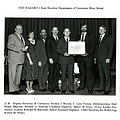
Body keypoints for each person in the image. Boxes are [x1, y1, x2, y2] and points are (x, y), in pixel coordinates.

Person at [7, 24, 27, 94]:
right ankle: (12, 89)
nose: (20, 30)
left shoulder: (21, 37)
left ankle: (16, 88)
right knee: (12, 75)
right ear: (15, 29)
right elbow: (9, 46)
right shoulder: (12, 36)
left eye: (21, 29)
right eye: (18, 29)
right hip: (13, 59)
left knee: (18, 75)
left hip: (20, 59)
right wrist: (21, 49)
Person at [76, 24, 96, 94]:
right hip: (80, 58)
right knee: (82, 73)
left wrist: (87, 53)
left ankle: (90, 89)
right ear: (81, 28)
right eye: (82, 27)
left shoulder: (91, 35)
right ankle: (82, 86)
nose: (84, 28)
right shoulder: (78, 35)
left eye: (85, 27)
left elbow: (93, 46)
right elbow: (75, 46)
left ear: (87, 28)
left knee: (89, 74)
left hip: (88, 57)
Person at [94, 25, 114, 95]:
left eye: (102, 29)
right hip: (99, 60)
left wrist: (109, 58)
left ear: (105, 30)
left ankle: (107, 89)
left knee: (107, 75)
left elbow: (111, 49)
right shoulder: (98, 38)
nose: (101, 30)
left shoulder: (109, 38)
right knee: (101, 75)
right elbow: (97, 49)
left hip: (106, 59)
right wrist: (95, 58)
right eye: (99, 29)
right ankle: (101, 88)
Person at [57, 28, 75, 94]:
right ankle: (63, 89)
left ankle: (71, 89)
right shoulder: (60, 40)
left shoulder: (73, 41)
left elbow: (75, 50)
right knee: (63, 75)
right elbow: (58, 49)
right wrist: (64, 53)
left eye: (68, 31)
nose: (67, 33)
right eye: (65, 31)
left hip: (70, 60)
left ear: (70, 32)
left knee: (71, 75)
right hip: (63, 60)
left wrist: (74, 53)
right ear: (63, 33)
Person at [46, 27, 60, 93]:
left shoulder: (59, 38)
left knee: (57, 74)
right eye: (54, 30)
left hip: (58, 59)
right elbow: (47, 49)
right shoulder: (49, 38)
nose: (55, 31)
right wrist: (49, 58)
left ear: (58, 31)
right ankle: (51, 87)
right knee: (51, 73)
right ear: (51, 31)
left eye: (56, 30)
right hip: (52, 59)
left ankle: (56, 86)